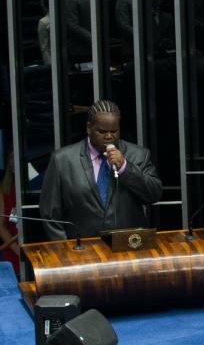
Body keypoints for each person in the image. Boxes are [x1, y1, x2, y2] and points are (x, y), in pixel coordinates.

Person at [39, 100, 162, 240]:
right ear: (89, 128)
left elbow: (154, 194)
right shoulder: (63, 160)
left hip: (128, 248)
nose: (109, 136)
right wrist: (65, 250)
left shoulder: (138, 155)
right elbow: (50, 213)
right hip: (82, 251)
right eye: (102, 131)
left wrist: (125, 167)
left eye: (114, 131)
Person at [0, 150, 19, 274]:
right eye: (11, 157)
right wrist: (18, 251)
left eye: (17, 157)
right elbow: (1, 227)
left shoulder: (28, 185)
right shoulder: (3, 189)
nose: (14, 161)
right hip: (11, 247)